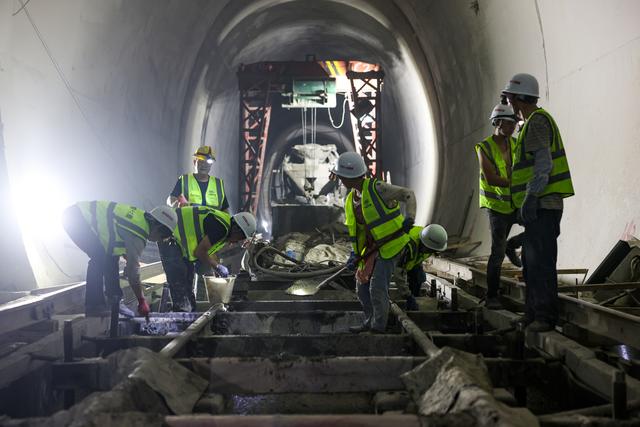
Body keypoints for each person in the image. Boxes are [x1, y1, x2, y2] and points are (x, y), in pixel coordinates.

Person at [502, 73, 575, 332]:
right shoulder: (529, 124)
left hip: (545, 203)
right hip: (540, 205)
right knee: (532, 263)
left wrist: (531, 196)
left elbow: (544, 164)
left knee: (541, 262)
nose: (508, 102)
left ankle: (544, 317)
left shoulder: (536, 122)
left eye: (510, 97)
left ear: (519, 97)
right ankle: (532, 314)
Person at [332, 152, 415, 334]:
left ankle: (378, 328)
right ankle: (369, 320)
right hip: (371, 249)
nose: (339, 180)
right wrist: (355, 254)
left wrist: (410, 217)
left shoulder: (377, 188)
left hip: (391, 245)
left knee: (377, 287)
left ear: (349, 177)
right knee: (361, 287)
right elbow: (357, 232)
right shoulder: (350, 200)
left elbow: (407, 194)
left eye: (340, 177)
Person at [62, 201, 177, 317]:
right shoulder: (138, 233)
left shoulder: (140, 218)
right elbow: (133, 274)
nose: (159, 241)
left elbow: (118, 234)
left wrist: (129, 257)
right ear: (158, 228)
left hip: (77, 215)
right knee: (99, 258)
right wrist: (141, 300)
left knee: (111, 257)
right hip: (77, 219)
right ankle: (94, 305)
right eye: (162, 237)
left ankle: (114, 301)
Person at [159, 207, 256, 311]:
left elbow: (205, 254)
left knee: (187, 282)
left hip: (179, 244)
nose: (237, 242)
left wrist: (214, 267)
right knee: (180, 282)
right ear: (237, 230)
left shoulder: (224, 228)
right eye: (240, 238)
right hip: (169, 234)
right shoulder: (221, 228)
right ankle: (181, 318)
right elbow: (199, 252)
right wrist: (217, 267)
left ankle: (189, 315)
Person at [476, 103, 524, 309]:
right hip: (496, 208)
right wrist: (517, 181)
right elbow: (491, 178)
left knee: (542, 227)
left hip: (515, 204)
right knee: (497, 253)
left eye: (515, 123)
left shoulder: (515, 144)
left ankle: (512, 245)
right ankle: (492, 296)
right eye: (509, 122)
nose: (513, 127)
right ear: (497, 123)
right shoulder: (484, 147)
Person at [395, 224, 449, 310]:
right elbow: (399, 272)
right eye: (430, 250)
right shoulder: (408, 245)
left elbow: (418, 257)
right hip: (390, 260)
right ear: (424, 244)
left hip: (411, 261)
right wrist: (407, 295)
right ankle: (407, 299)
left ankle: (415, 297)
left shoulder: (428, 240)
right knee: (394, 281)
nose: (431, 252)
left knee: (420, 277)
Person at [167, 146, 228, 211]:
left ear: (211, 165)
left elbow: (225, 210)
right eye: (201, 161)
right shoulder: (185, 180)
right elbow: (170, 199)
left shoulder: (218, 184)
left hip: (212, 221)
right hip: (189, 220)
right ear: (194, 162)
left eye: (208, 162)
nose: (204, 165)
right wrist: (176, 205)